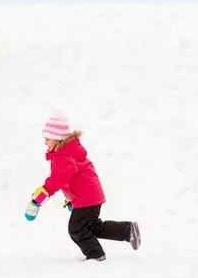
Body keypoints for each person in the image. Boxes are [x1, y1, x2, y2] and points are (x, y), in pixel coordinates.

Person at [24, 110, 141, 261]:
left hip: (87, 198)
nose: (45, 142)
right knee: (92, 227)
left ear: (58, 139)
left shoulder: (65, 157)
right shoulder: (66, 154)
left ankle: (96, 256)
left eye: (48, 139)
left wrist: (37, 200)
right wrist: (71, 199)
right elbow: (70, 180)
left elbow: (56, 181)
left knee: (77, 230)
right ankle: (128, 230)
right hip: (88, 196)